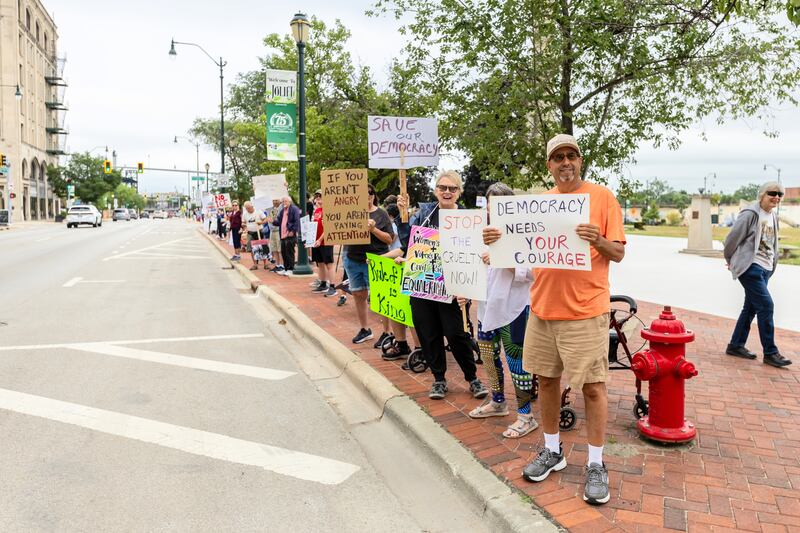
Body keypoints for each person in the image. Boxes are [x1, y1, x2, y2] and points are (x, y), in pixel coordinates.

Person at [483, 134, 625, 505]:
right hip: (543, 309)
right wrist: (495, 239)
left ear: (580, 161)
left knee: (593, 387)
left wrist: (598, 241)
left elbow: (619, 253)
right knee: (545, 382)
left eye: (571, 156)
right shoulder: (538, 204)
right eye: (557, 157)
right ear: (549, 165)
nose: (565, 162)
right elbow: (514, 253)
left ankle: (596, 463)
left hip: (585, 310)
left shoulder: (602, 198)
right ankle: (552, 450)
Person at [397, 171, 489, 401]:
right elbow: (410, 242)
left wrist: (468, 291)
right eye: (442, 187)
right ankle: (439, 379)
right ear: (436, 190)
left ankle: (472, 378)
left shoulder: (468, 219)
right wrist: (402, 217)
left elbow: (474, 256)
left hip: (454, 289)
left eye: (452, 188)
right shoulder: (424, 214)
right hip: (423, 285)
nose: (447, 192)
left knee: (456, 334)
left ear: (459, 191)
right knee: (428, 333)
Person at [469, 182, 539, 439]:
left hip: (514, 308)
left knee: (517, 363)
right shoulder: (479, 232)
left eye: (500, 203)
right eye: (490, 202)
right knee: (487, 355)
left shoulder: (524, 232)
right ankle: (498, 402)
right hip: (485, 307)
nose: (493, 208)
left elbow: (533, 272)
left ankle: (525, 415)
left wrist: (501, 258)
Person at [723, 182, 791, 368]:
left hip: (766, 268)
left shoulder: (773, 216)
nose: (776, 197)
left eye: (780, 194)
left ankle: (736, 345)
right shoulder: (750, 214)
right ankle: (770, 352)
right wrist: (730, 259)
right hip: (751, 268)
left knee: (751, 307)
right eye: (772, 193)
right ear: (762, 194)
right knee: (766, 306)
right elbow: (731, 239)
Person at [344, 184, 395, 344]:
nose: (365, 197)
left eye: (368, 194)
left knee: (381, 297)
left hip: (375, 259)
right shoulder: (350, 213)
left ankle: (388, 332)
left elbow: (390, 239)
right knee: (359, 294)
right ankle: (365, 329)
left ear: (373, 196)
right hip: (353, 258)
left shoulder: (381, 214)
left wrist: (373, 230)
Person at [311, 193, 336, 294]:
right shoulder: (316, 211)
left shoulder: (328, 210)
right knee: (320, 264)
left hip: (326, 241)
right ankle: (323, 283)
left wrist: (320, 240)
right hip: (316, 242)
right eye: (316, 198)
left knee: (329, 264)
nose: (318, 200)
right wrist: (310, 241)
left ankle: (333, 286)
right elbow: (313, 227)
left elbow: (329, 228)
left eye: (320, 198)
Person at [275, 196, 301, 276]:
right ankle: (286, 268)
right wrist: (272, 221)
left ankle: (291, 268)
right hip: (282, 234)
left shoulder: (294, 209)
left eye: (285, 201)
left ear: (290, 202)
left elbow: (297, 221)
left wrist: (293, 231)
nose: (284, 203)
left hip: (290, 234)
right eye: (283, 202)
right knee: (284, 252)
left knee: (289, 252)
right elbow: (278, 221)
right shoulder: (283, 210)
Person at [242, 201, 266, 270]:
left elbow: (265, 219)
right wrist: (243, 225)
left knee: (262, 248)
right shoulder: (245, 214)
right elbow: (243, 222)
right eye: (247, 208)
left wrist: (260, 222)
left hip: (259, 232)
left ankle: (265, 264)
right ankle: (255, 264)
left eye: (249, 208)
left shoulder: (258, 211)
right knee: (252, 249)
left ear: (252, 206)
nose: (248, 209)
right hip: (250, 233)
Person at [266, 198, 284, 273]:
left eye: (276, 200)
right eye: (273, 200)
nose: (275, 201)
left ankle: (282, 265)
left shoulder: (282, 207)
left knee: (280, 249)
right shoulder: (269, 208)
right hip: (272, 230)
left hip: (278, 230)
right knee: (274, 248)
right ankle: (277, 264)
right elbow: (260, 201)